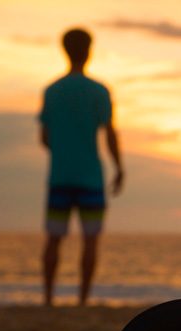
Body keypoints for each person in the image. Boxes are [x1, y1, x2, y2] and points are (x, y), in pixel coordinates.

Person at [39, 27, 124, 306]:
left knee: (54, 239)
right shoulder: (99, 91)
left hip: (59, 176)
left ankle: (49, 299)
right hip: (91, 177)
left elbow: (45, 137)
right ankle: (82, 301)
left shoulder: (52, 90)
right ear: (88, 51)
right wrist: (119, 167)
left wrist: (63, 150)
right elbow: (109, 133)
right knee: (91, 240)